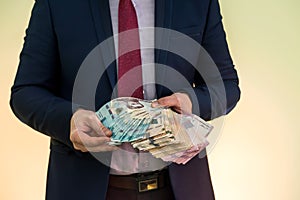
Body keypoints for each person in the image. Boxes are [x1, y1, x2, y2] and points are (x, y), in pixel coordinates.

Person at [10, 0, 240, 199]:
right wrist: (69, 121)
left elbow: (226, 85)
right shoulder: (56, 4)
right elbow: (26, 91)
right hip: (84, 188)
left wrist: (191, 103)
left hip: (181, 189)